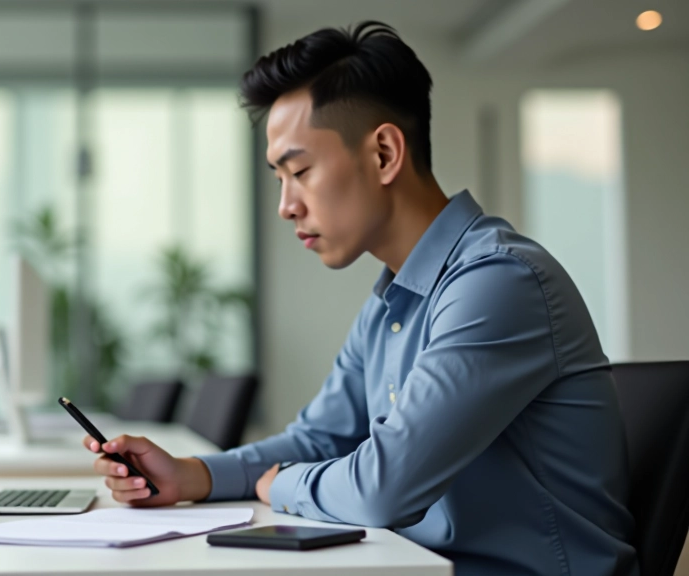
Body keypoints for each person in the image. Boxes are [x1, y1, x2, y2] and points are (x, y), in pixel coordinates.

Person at [83, 21, 638, 576]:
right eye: (279, 177)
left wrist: (281, 484)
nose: (286, 206)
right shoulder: (391, 303)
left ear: (384, 153)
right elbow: (318, 437)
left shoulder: (498, 282)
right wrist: (192, 475)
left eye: (300, 171)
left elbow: (382, 488)